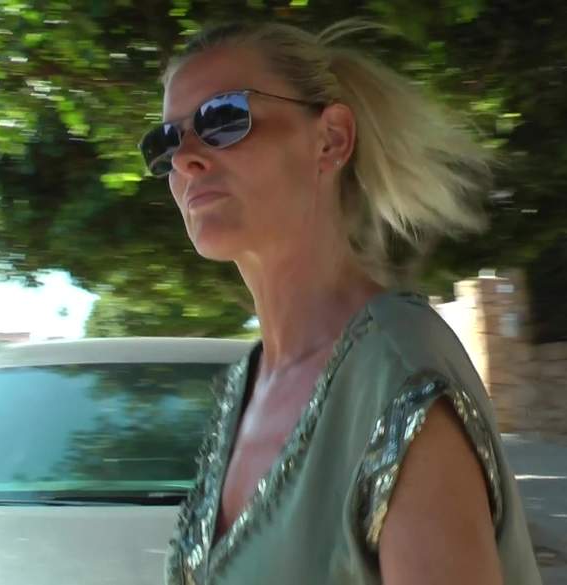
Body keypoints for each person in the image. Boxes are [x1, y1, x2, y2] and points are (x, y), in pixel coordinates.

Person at [138, 18, 542, 585]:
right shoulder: (242, 386)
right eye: (166, 142)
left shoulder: (396, 370)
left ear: (330, 139)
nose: (185, 159)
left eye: (223, 120)